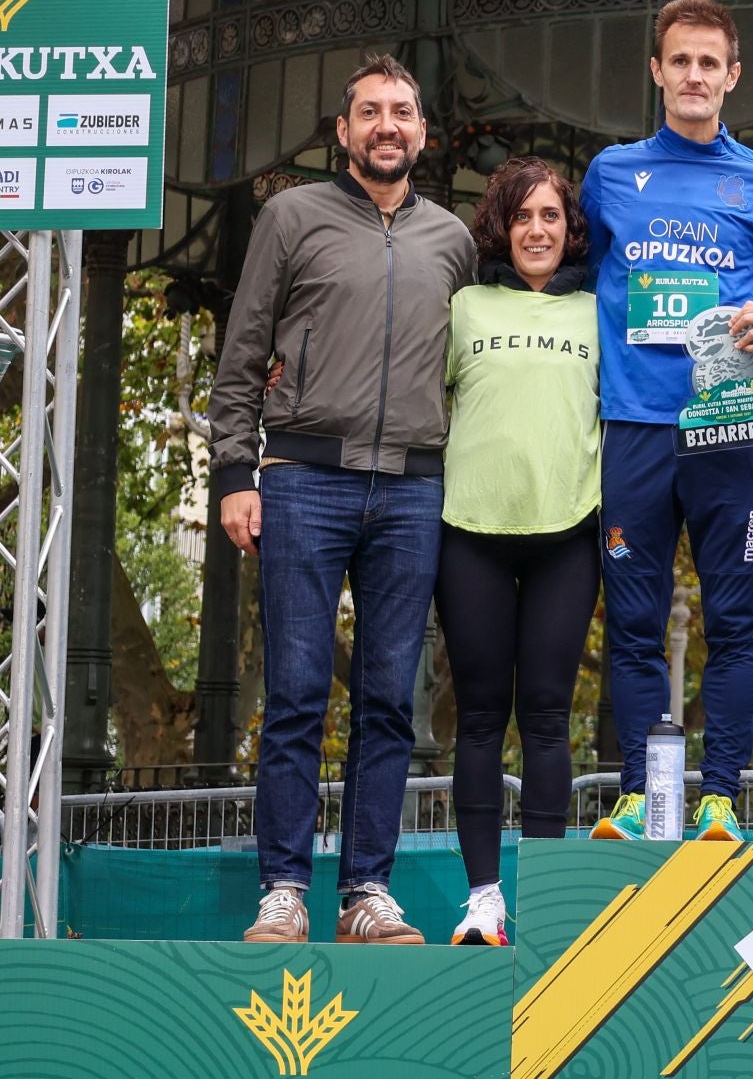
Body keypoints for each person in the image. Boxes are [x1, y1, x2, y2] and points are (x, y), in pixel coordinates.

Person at [209, 54, 475, 944]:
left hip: (412, 490)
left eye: (402, 112)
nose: (387, 126)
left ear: (423, 132)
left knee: (390, 699)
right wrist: (234, 475)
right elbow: (244, 354)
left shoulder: (453, 239)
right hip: (302, 481)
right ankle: (283, 889)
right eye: (370, 113)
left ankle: (367, 891)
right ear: (344, 131)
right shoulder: (291, 216)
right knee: (293, 693)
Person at [582, 0, 753, 844]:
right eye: (681, 60)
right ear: (657, 72)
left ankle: (722, 800)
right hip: (635, 424)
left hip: (729, 426)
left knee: (734, 618)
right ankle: (636, 795)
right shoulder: (610, 174)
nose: (696, 76)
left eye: (711, 62)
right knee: (632, 619)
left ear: (733, 76)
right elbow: (601, 275)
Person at [437, 156, 600, 945]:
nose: (538, 230)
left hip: (568, 536)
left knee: (545, 716)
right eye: (523, 216)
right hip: (469, 535)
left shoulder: (599, 312)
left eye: (552, 217)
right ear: (501, 225)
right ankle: (482, 900)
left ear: (572, 230)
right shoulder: (463, 305)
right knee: (477, 719)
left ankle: (545, 902)